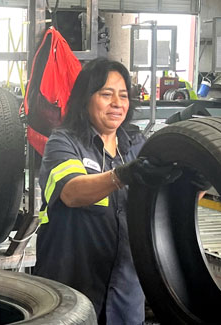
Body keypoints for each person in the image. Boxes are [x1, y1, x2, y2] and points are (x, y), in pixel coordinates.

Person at [34, 58, 181, 324]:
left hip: (125, 299)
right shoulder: (64, 142)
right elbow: (71, 192)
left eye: (123, 96)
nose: (117, 103)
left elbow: (172, 201)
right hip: (72, 296)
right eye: (106, 94)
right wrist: (123, 175)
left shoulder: (137, 146)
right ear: (85, 98)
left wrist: (198, 177)